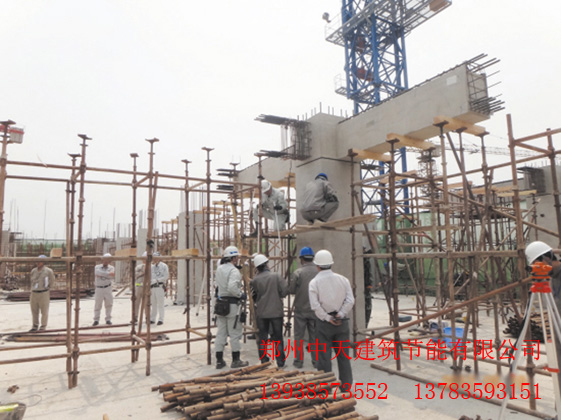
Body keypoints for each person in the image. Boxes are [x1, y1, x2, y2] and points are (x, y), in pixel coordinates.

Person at [309, 249, 355, 390]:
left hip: (324, 324)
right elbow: (350, 300)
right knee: (343, 356)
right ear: (331, 264)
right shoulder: (343, 280)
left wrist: (328, 318)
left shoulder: (314, 283)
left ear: (317, 266)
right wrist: (340, 314)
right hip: (341, 323)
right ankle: (346, 387)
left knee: (324, 357)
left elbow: (315, 306)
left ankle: (326, 388)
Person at [525, 240, 561, 392]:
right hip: (557, 329)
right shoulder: (551, 278)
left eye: (537, 263)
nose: (536, 268)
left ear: (547, 258)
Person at [250, 254, 289, 368]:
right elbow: (285, 290)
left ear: (257, 267)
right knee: (278, 338)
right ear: (266, 264)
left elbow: (254, 295)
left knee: (263, 338)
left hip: (262, 312)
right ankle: (280, 362)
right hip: (276, 312)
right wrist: (278, 295)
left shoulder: (255, 280)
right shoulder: (276, 276)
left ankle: (264, 360)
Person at [214, 245, 249, 369]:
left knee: (221, 333)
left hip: (220, 304)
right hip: (232, 305)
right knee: (234, 333)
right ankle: (236, 360)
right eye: (236, 257)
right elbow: (232, 287)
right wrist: (240, 295)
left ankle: (219, 361)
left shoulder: (219, 269)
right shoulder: (234, 271)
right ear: (233, 258)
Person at [289, 246, 318, 368]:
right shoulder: (318, 272)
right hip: (315, 310)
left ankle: (299, 361)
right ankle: (316, 361)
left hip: (300, 309)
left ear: (302, 259)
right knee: (314, 336)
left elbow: (291, 290)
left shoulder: (298, 273)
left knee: (299, 337)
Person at [28, 254, 55, 332]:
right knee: (34, 311)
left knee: (44, 311)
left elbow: (52, 281)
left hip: (43, 293)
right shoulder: (33, 271)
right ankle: (35, 326)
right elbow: (31, 281)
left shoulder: (48, 271)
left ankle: (43, 326)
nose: (38, 263)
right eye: (37, 261)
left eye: (40, 261)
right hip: (34, 293)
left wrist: (48, 288)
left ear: (44, 262)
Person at [93, 253, 115, 326]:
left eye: (108, 260)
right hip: (99, 288)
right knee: (98, 304)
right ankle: (96, 319)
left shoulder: (111, 268)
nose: (106, 261)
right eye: (105, 260)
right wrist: (107, 274)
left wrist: (102, 274)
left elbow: (112, 275)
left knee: (109, 304)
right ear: (102, 260)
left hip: (108, 288)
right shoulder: (97, 267)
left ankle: (108, 319)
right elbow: (97, 273)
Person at [150, 251, 168, 326]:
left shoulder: (164, 266)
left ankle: (161, 319)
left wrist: (158, 280)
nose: (154, 259)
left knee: (160, 303)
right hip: (153, 287)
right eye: (153, 258)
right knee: (153, 303)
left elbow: (166, 276)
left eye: (156, 258)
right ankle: (152, 318)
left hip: (159, 286)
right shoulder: (152, 267)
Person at [133, 251, 147, 324]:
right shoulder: (139, 267)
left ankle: (147, 317)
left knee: (146, 303)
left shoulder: (152, 267)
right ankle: (135, 317)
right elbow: (135, 274)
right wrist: (143, 272)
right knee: (136, 302)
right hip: (138, 286)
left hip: (147, 287)